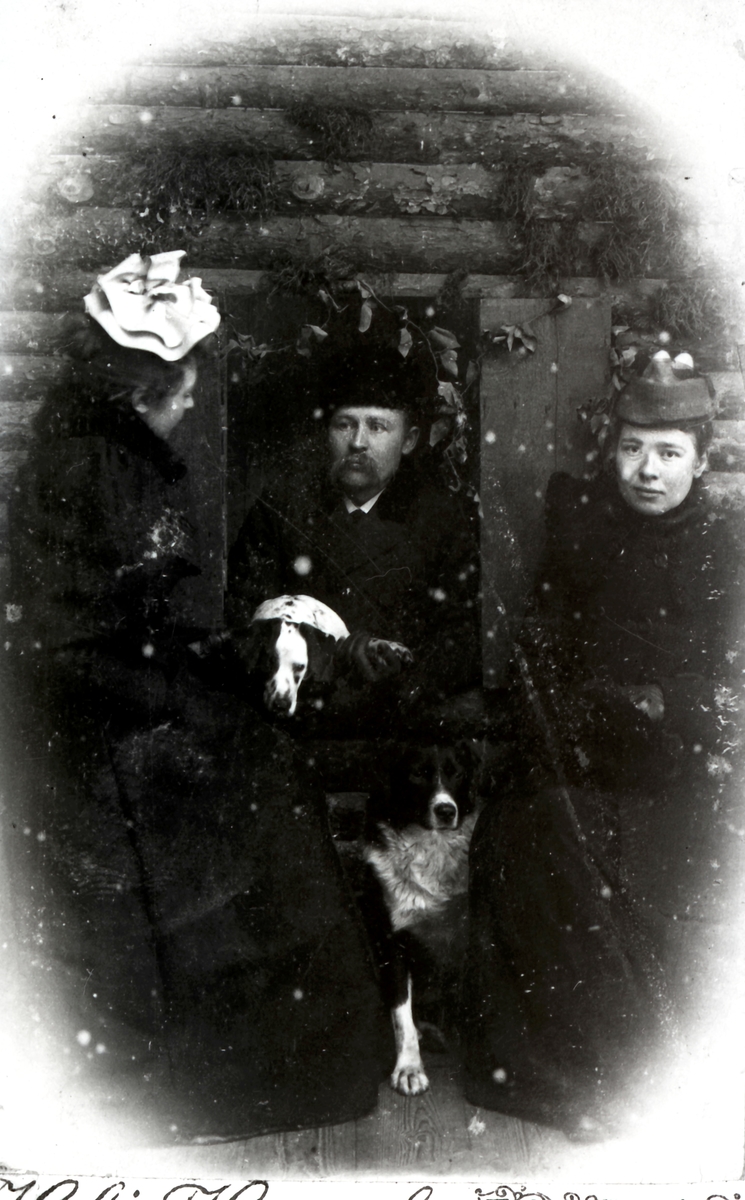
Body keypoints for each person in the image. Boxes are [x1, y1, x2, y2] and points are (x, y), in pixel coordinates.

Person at [1, 251, 387, 1150]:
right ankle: (232, 1072)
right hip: (84, 727)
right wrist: (189, 689)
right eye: (179, 397)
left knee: (266, 766)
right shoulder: (83, 473)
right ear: (139, 396)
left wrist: (227, 655)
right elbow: (70, 645)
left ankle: (285, 1055)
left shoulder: (123, 459)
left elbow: (141, 623)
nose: (186, 410)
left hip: (128, 690)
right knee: (247, 787)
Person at [462, 351, 745, 1140]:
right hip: (583, 750)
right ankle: (587, 1077)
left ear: (700, 459)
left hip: (684, 764)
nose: (646, 471)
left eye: (667, 452)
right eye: (631, 448)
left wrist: (665, 706)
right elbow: (540, 644)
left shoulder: (727, 544)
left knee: (654, 862)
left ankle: (649, 1080)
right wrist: (563, 718)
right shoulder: (582, 529)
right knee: (533, 835)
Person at [227, 343, 481, 733]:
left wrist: (401, 680)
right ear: (327, 432)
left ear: (409, 439)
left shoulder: (439, 519)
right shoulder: (282, 506)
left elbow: (461, 637)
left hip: (394, 725)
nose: (358, 442)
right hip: (296, 718)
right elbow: (243, 610)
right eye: (345, 424)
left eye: (377, 426)